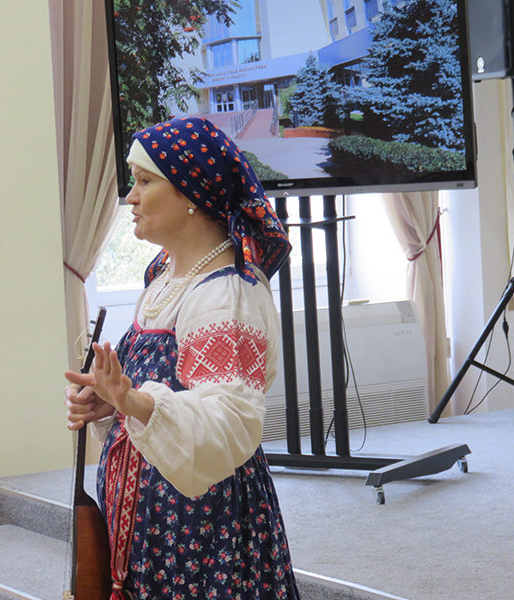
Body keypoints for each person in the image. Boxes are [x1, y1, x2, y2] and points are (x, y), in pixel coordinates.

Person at [65, 116, 300, 599]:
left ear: (193, 194)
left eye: (145, 181)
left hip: (202, 528)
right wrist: (113, 402)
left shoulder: (226, 294)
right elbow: (158, 389)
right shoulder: (165, 277)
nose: (131, 197)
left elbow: (231, 421)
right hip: (155, 520)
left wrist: (136, 402)